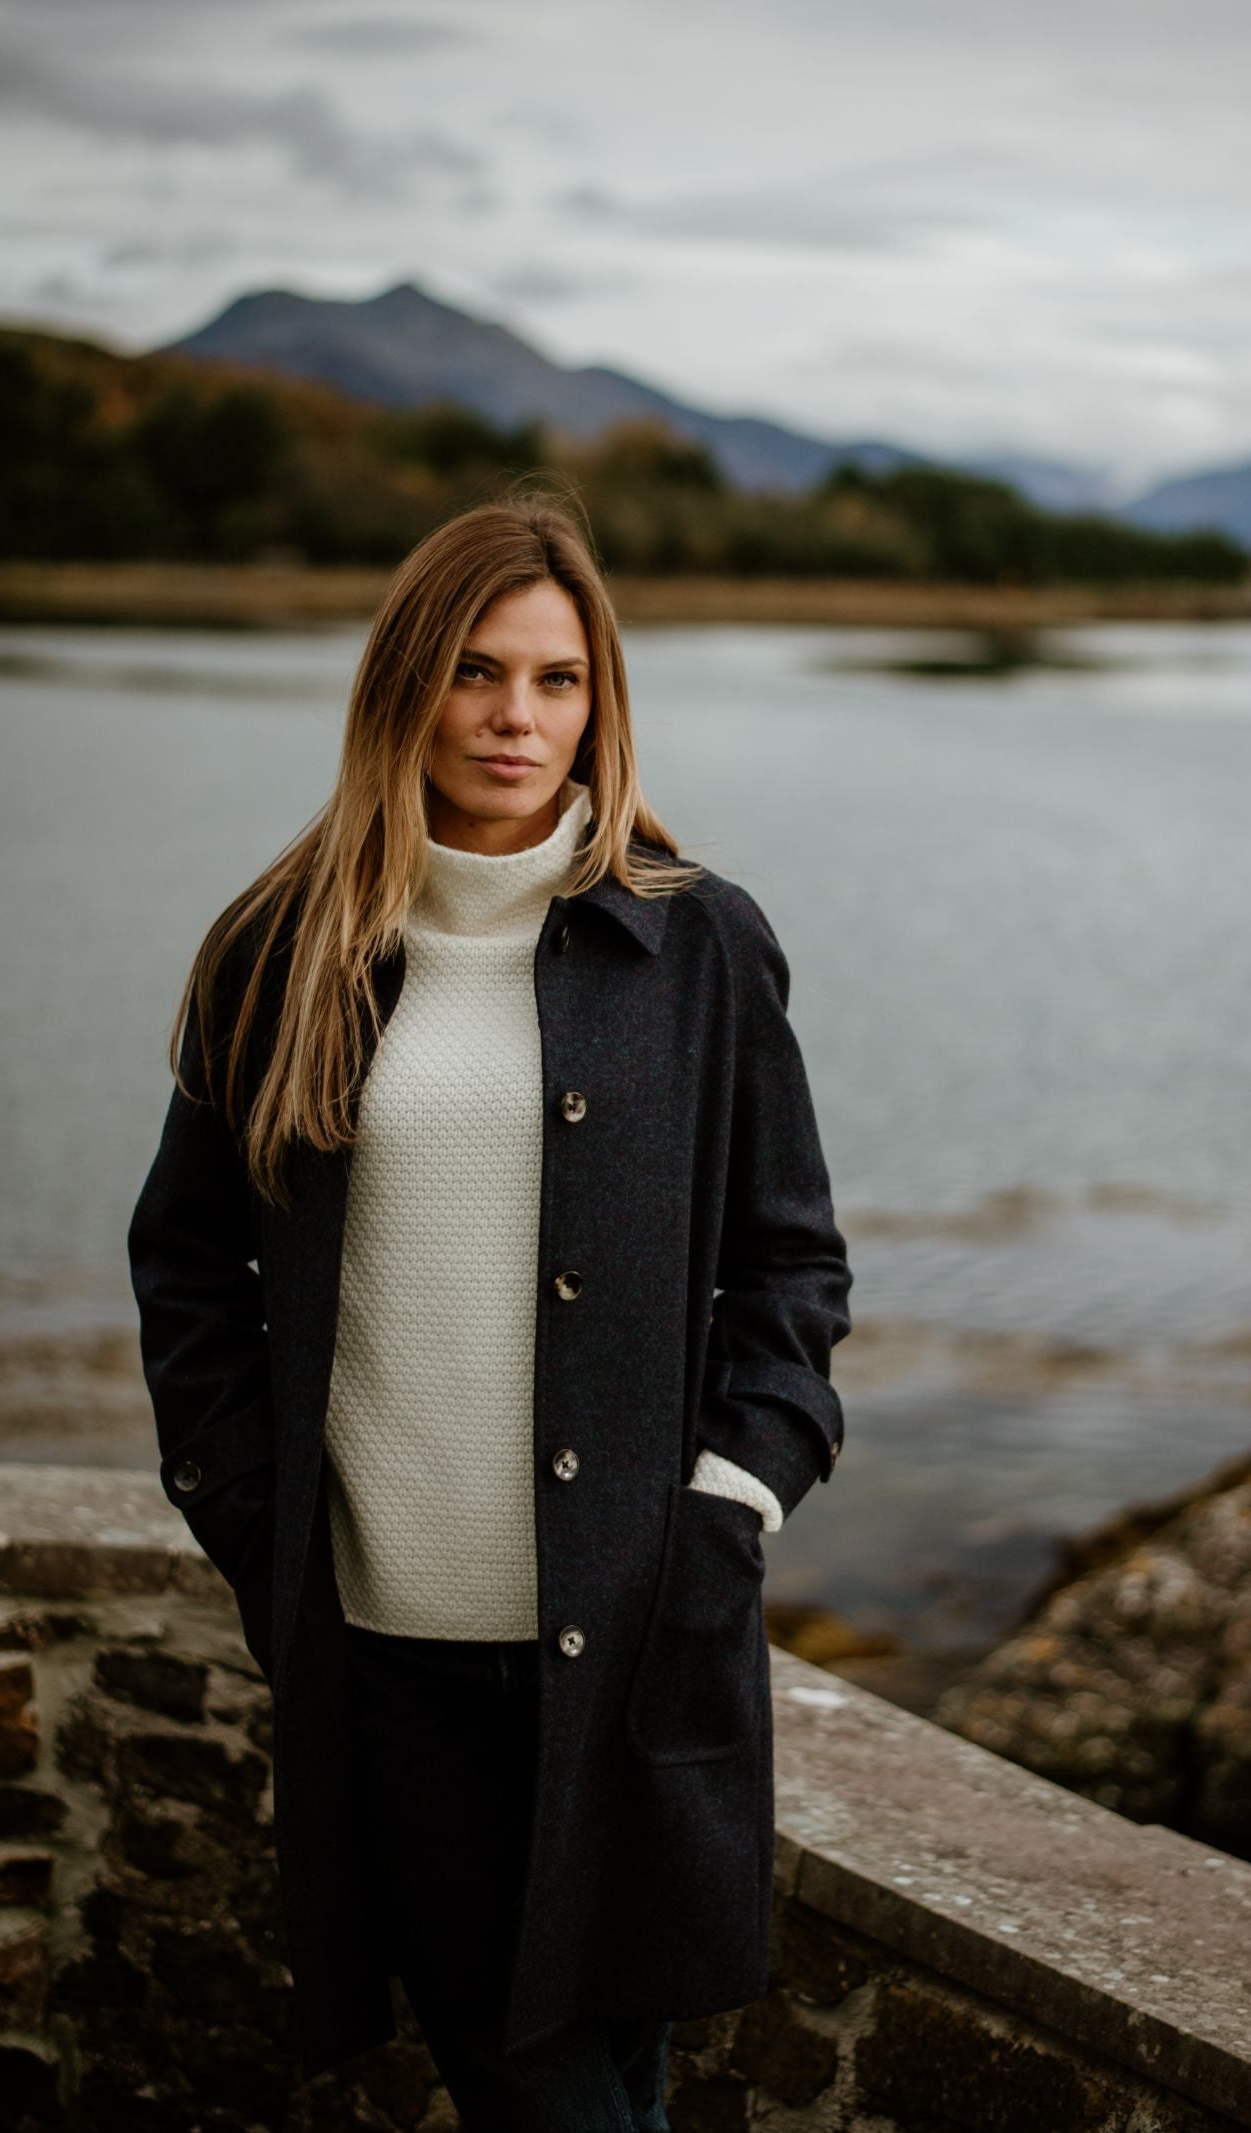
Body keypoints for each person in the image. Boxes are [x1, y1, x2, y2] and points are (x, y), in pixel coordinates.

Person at [126, 490, 853, 2131]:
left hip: (640, 1658)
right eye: (474, 673)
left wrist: (732, 1507)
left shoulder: (700, 945)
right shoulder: (280, 950)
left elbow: (794, 1269)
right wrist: (258, 1524)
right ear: (404, 688)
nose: (518, 719)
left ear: (602, 699)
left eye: (558, 679)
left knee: (622, 2085)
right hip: (394, 1668)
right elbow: (187, 1267)